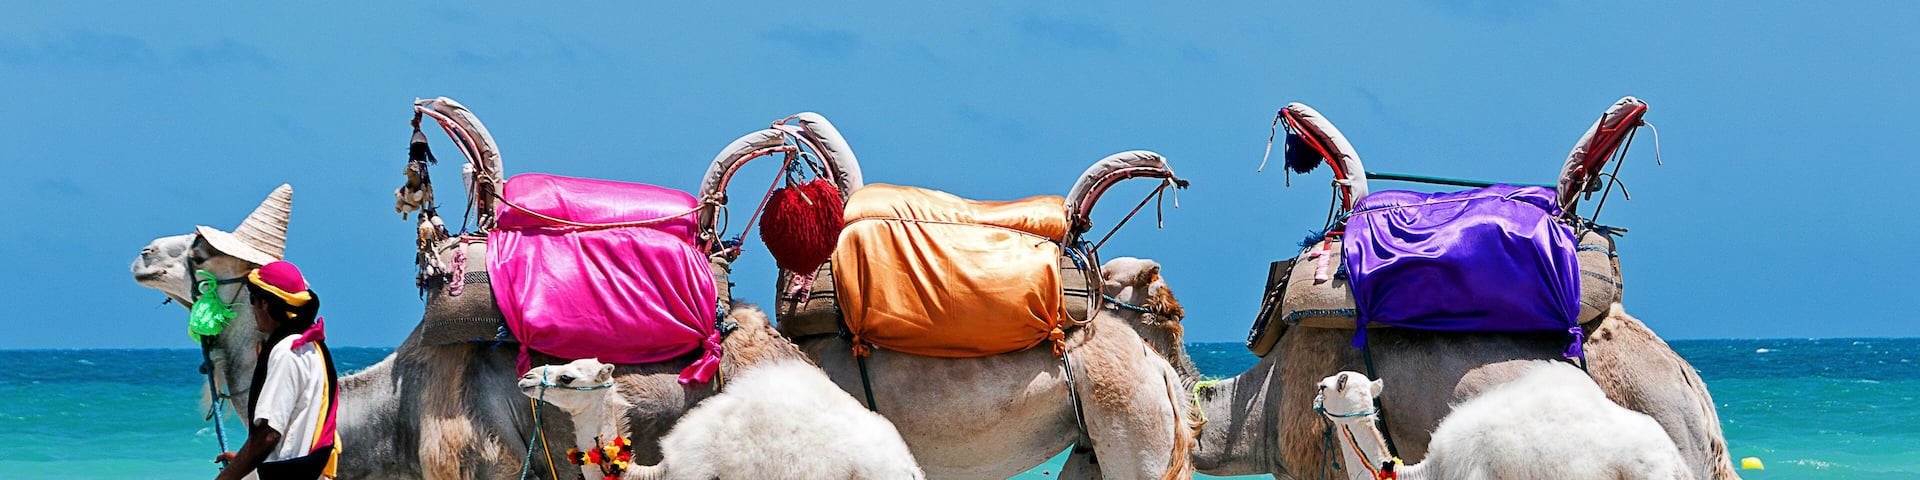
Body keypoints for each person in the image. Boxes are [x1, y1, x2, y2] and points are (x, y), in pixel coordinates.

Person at [214, 261, 340, 480]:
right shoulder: (312, 346)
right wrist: (246, 461)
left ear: (264, 303)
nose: (252, 309)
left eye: (252, 300)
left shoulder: (286, 352)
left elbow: (268, 434)